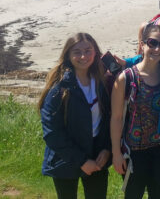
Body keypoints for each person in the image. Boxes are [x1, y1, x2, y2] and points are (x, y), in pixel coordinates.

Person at [39, 32, 111, 199]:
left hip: (96, 154)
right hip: (66, 156)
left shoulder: (101, 82)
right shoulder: (59, 89)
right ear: (68, 56)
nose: (83, 56)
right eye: (77, 52)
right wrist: (82, 161)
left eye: (88, 50)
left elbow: (108, 118)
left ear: (95, 53)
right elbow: (52, 133)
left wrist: (107, 149)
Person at [111, 25, 160, 199]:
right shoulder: (126, 78)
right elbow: (116, 118)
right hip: (133, 152)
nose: (157, 49)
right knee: (133, 194)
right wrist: (116, 153)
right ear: (142, 44)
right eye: (152, 43)